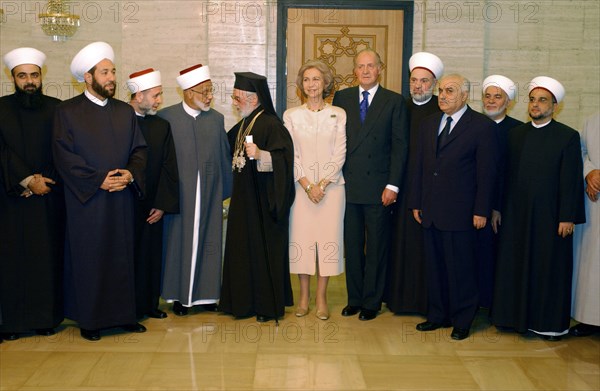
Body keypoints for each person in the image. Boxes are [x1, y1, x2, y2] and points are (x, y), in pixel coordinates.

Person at [52, 41, 147, 341]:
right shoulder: (66, 112)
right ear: (88, 77)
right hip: (88, 202)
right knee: (91, 258)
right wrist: (98, 180)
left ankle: (124, 316)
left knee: (122, 257)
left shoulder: (125, 112)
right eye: (104, 72)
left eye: (113, 71)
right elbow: (64, 156)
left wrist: (130, 173)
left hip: (121, 200)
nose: (111, 77)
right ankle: (91, 321)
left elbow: (139, 150)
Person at [491, 76, 585, 341]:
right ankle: (512, 318)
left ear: (554, 106)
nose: (535, 105)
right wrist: (497, 209)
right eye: (532, 100)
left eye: (542, 100)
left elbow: (570, 180)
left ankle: (547, 324)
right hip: (516, 216)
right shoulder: (516, 135)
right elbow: (504, 176)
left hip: (551, 218)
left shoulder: (567, 136)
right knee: (515, 265)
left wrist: (567, 216)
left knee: (547, 269)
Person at [409, 74, 498, 340]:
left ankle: (462, 319)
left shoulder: (481, 127)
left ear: (463, 96)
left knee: (461, 269)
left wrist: (481, 210)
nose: (443, 96)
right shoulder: (428, 124)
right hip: (431, 210)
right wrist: (416, 201)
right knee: (435, 267)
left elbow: (487, 174)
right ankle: (438, 315)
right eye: (441, 90)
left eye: (449, 91)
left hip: (462, 213)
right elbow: (420, 167)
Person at [332, 48, 409, 321]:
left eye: (371, 66)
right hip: (348, 186)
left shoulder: (394, 101)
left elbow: (400, 147)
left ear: (380, 69)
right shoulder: (342, 97)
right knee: (352, 245)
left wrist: (393, 185)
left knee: (376, 246)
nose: (365, 71)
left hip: (379, 188)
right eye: (361, 66)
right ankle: (354, 298)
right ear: (355, 70)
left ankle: (372, 302)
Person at [0, 47, 65, 340]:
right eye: (22, 76)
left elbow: (64, 150)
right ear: (12, 77)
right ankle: (13, 324)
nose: (29, 81)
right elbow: (2, 152)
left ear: (42, 77)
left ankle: (45, 319)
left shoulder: (57, 109)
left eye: (34, 75)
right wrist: (26, 180)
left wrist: (43, 181)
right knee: (12, 260)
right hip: (11, 198)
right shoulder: (0, 108)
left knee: (45, 258)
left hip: (48, 198)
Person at [220, 72, 295, 322]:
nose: (234, 102)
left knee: (262, 253)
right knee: (242, 250)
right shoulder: (243, 123)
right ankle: (241, 303)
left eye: (237, 98)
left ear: (253, 99)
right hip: (243, 201)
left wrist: (263, 154)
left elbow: (285, 160)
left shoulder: (271, 124)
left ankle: (266, 306)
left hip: (264, 203)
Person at [159, 64, 232, 316]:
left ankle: (207, 296)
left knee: (210, 243)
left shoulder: (217, 120)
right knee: (179, 244)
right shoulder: (166, 118)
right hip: (180, 198)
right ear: (188, 92)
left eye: (210, 90)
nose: (210, 96)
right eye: (204, 91)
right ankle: (179, 297)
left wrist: (223, 192)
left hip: (210, 196)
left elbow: (224, 158)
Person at [284, 60, 347, 321]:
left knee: (328, 243)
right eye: (307, 79)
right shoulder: (291, 116)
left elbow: (340, 152)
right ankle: (303, 297)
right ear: (301, 85)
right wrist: (308, 185)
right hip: (301, 190)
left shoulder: (339, 114)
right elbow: (292, 155)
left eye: (317, 79)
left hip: (332, 190)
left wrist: (322, 184)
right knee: (302, 242)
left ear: (325, 83)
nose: (312, 84)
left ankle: (321, 297)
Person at [385, 52, 443, 316]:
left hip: (430, 191)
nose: (418, 86)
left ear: (434, 85)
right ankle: (398, 299)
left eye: (424, 81)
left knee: (425, 246)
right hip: (401, 187)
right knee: (398, 243)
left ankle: (425, 301)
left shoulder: (441, 112)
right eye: (414, 80)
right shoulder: (399, 107)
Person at [127, 68, 180, 319]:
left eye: (160, 95)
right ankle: (128, 308)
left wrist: (161, 204)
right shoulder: (118, 120)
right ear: (138, 95)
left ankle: (149, 305)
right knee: (127, 257)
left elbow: (169, 167)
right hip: (124, 203)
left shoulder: (162, 126)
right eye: (155, 95)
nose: (159, 100)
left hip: (152, 206)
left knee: (150, 256)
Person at [478, 75, 523, 308]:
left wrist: (496, 206)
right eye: (488, 96)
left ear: (508, 102)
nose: (491, 101)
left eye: (498, 97)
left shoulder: (517, 131)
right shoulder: (473, 124)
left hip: (503, 207)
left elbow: (510, 174)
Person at [570, 112, 600, 337]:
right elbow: (580, 151)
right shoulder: (592, 120)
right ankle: (590, 319)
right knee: (591, 263)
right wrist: (590, 172)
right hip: (594, 202)